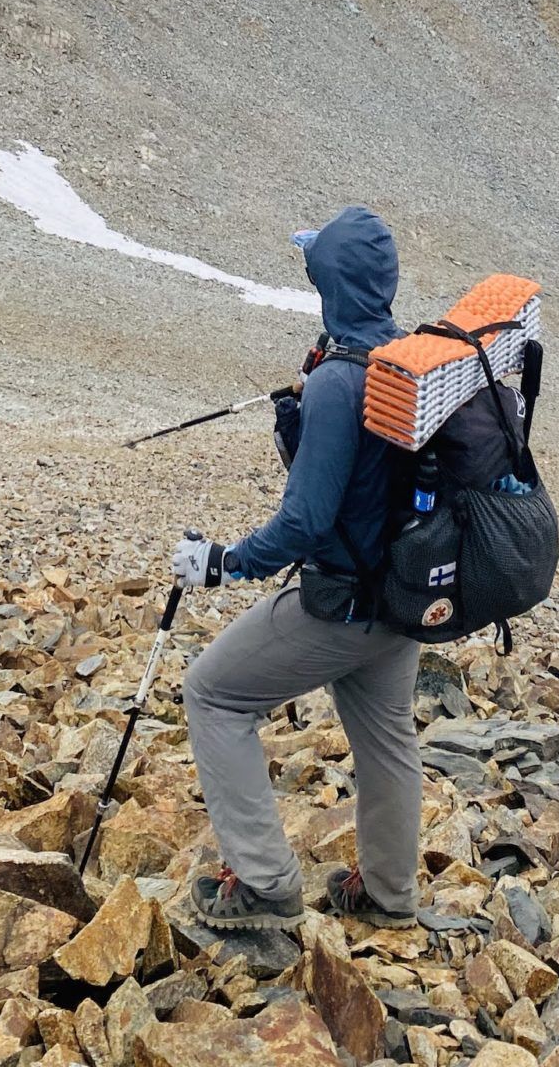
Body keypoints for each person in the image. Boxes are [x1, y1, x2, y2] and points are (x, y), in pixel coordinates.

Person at [172, 205, 423, 930]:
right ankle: (388, 895)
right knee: (386, 737)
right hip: (402, 598)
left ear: (329, 281)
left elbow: (305, 521)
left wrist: (223, 562)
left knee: (213, 694)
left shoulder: (343, 383)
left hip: (342, 601)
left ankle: (265, 884)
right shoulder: (404, 359)